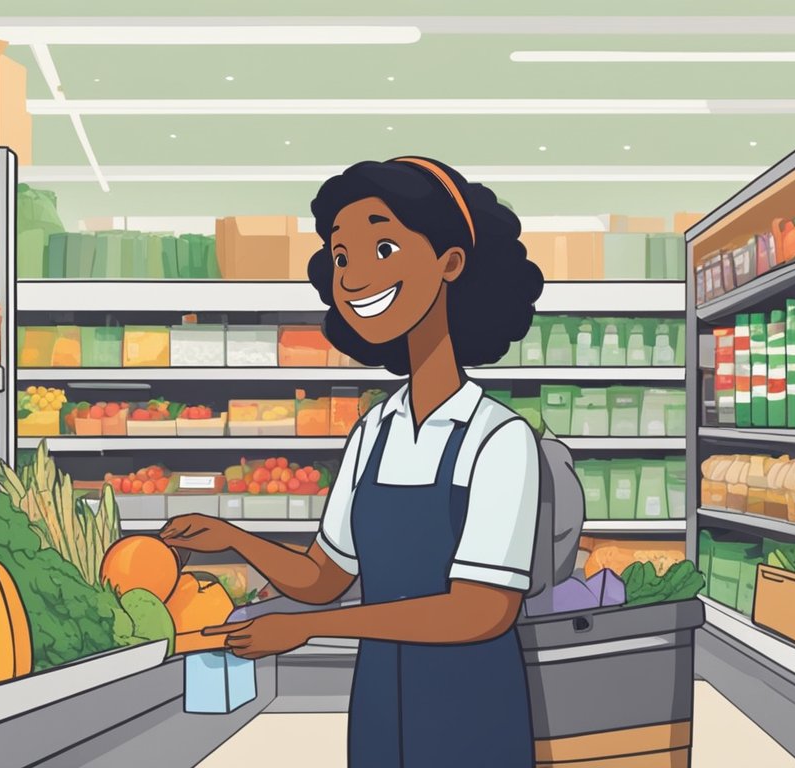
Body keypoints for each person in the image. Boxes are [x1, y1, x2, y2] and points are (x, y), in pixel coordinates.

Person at [160, 156, 545, 767]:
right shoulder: (374, 431)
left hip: (469, 711)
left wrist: (312, 630)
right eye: (342, 258)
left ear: (450, 262)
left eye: (384, 246)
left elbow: (483, 610)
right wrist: (233, 538)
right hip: (380, 709)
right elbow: (325, 577)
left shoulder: (498, 438)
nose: (357, 276)